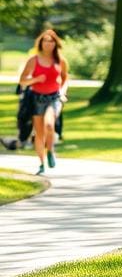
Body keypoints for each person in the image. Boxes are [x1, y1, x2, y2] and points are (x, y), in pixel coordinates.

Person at [17, 29, 70, 174]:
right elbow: (22, 80)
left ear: (55, 43)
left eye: (51, 41)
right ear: (41, 43)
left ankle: (51, 151)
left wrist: (63, 92)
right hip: (36, 99)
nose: (48, 44)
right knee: (39, 134)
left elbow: (65, 78)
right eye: (45, 41)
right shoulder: (33, 60)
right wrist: (36, 79)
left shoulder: (60, 60)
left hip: (53, 98)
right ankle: (41, 164)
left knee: (49, 124)